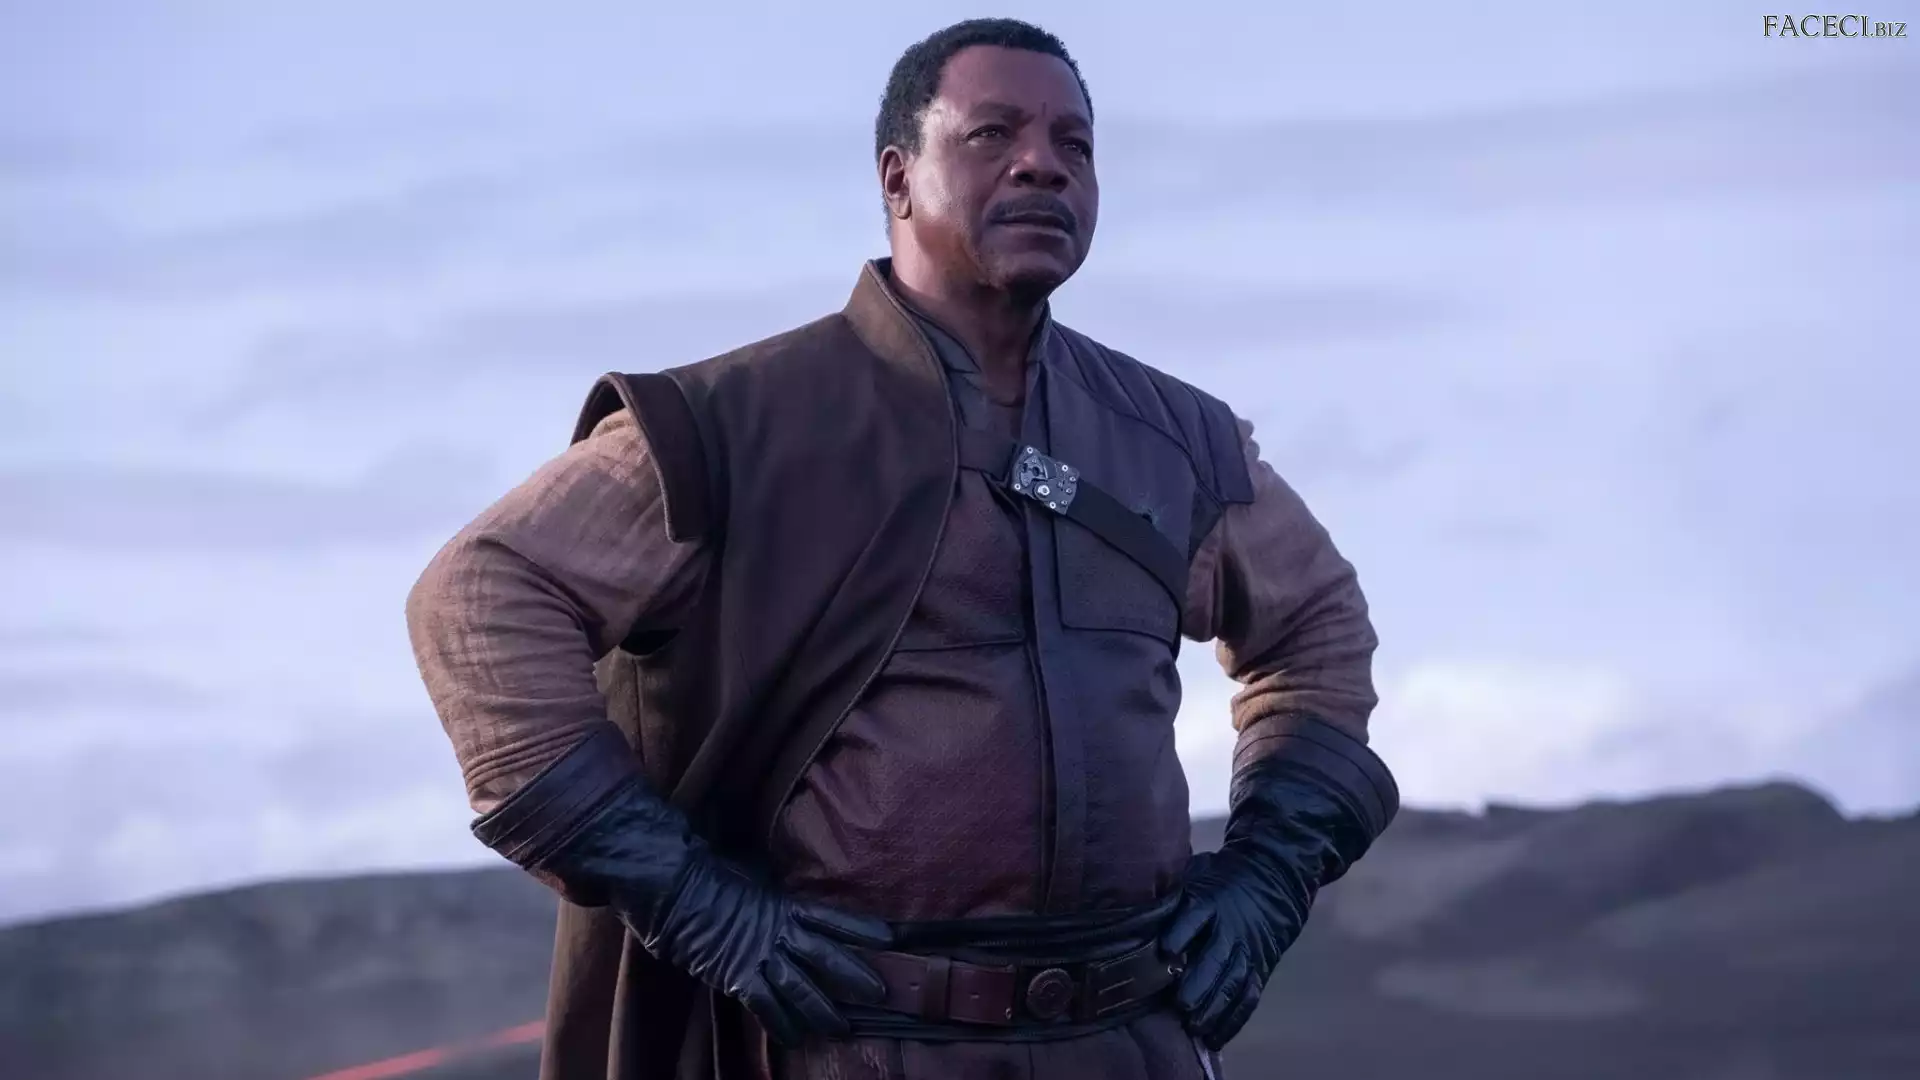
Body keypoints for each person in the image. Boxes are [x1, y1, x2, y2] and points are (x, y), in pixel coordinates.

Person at [406, 17, 1398, 1080]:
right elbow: (478, 597)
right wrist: (688, 898)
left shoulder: (1175, 442)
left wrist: (1267, 875)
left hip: (1126, 1043)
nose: (1043, 163)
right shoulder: (728, 427)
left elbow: (1317, 626)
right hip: (836, 1041)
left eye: (1074, 143)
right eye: (993, 134)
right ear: (897, 178)